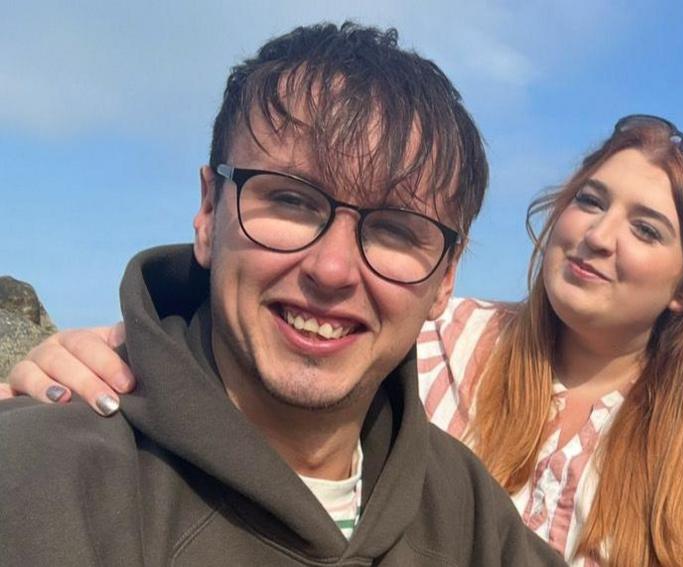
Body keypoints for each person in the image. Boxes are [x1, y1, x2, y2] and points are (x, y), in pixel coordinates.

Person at [8, 116, 683, 564]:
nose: (597, 237)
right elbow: (262, 370)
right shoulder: (448, 332)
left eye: (646, 228)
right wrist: (100, 360)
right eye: (590, 200)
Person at [0, 22, 565, 567]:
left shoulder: (472, 517)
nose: (333, 269)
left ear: (445, 279)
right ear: (208, 211)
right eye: (292, 201)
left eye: (395, 229)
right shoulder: (35, 477)